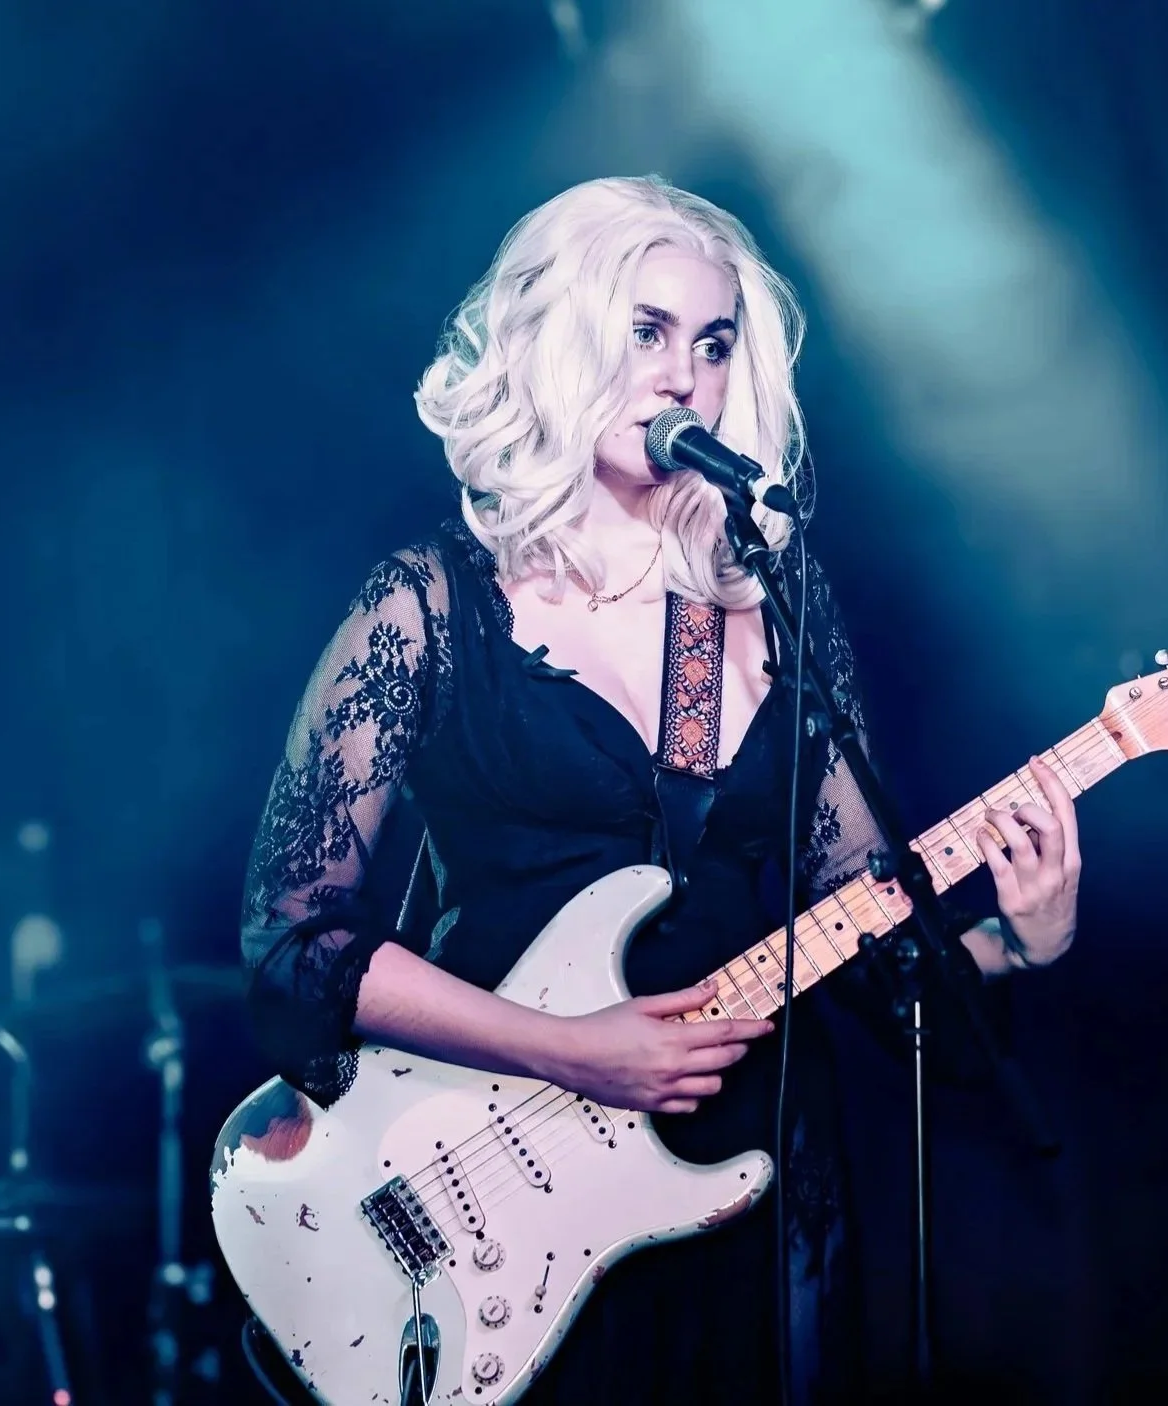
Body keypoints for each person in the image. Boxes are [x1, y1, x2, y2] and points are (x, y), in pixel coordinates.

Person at [238, 175, 1082, 1405]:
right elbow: (294, 943)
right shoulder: (427, 604)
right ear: (561, 337)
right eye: (646, 330)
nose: (683, 375)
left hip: (748, 1167)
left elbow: (861, 934)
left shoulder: (768, 600)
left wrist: (1014, 941)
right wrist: (571, 1047)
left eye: (714, 342)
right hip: (504, 1178)